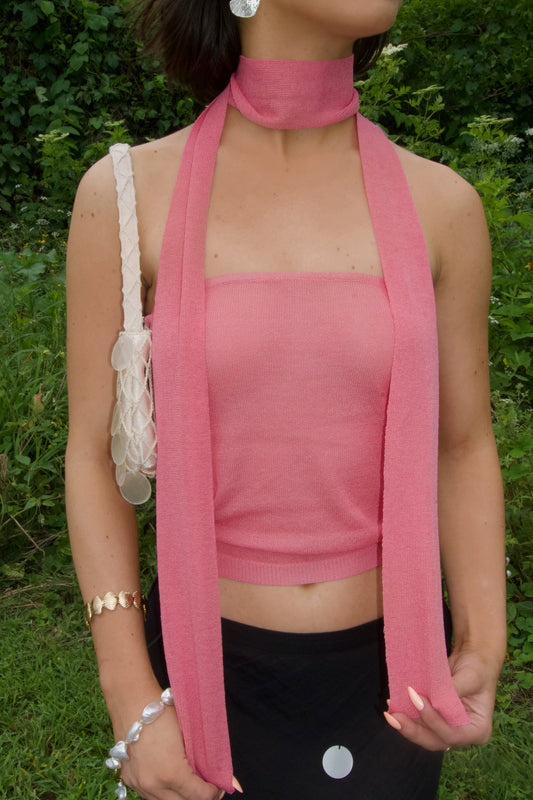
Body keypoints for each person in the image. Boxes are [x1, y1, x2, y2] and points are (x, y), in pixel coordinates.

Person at [65, 1, 507, 799]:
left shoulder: (443, 206)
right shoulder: (127, 195)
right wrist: (130, 696)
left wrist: (481, 640)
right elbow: (96, 456)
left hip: (394, 684)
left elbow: (462, 442)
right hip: (199, 678)